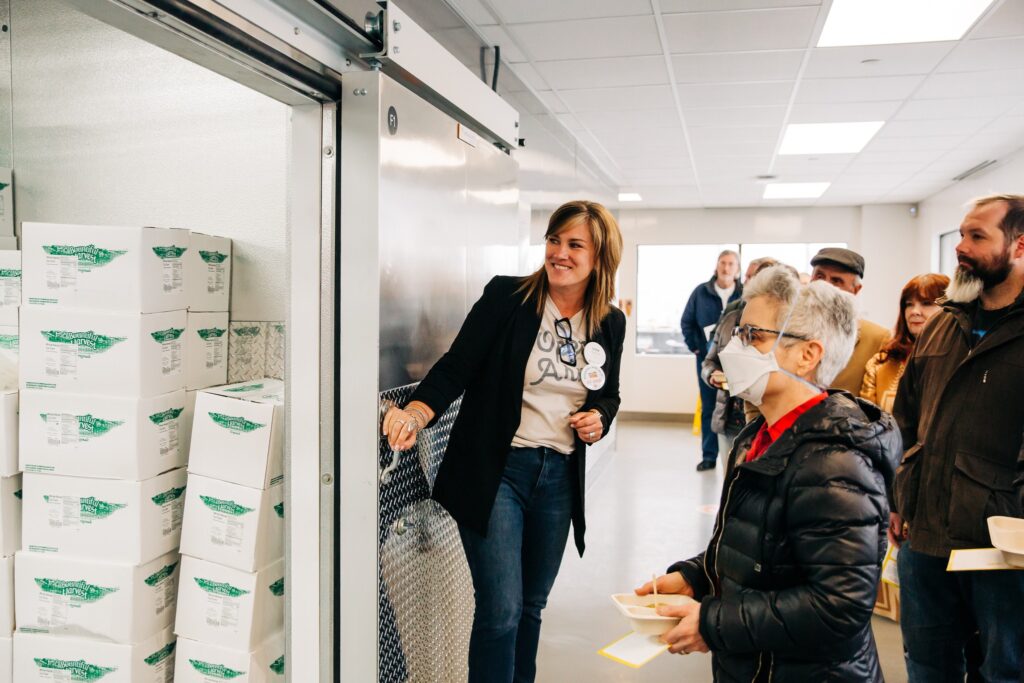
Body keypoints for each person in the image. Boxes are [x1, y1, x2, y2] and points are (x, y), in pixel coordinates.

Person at [382, 200, 625, 683]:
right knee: (501, 610)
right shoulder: (508, 299)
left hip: (557, 476)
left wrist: (598, 417)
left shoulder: (608, 323)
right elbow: (458, 365)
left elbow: (608, 394)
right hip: (500, 472)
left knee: (532, 607)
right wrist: (418, 410)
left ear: (600, 258)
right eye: (554, 240)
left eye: (575, 245)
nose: (559, 253)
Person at [637, 266, 900, 681]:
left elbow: (839, 606)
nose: (734, 349)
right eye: (738, 334)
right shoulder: (756, 437)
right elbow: (757, 550)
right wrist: (697, 577)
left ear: (807, 355)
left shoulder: (835, 462)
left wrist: (713, 623)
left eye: (753, 337)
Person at [892, 194, 1024, 682]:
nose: (961, 248)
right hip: (924, 536)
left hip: (1004, 548)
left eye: (977, 237)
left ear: (1019, 245)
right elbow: (905, 416)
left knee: (1003, 670)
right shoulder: (944, 322)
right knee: (927, 664)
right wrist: (898, 495)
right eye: (961, 235)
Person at [703, 258, 780, 452]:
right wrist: (711, 375)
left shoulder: (785, 328)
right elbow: (711, 360)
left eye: (753, 278)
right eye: (747, 277)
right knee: (729, 478)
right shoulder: (730, 318)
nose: (747, 282)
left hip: (763, 422)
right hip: (729, 417)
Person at [682, 249, 742, 471]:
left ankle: (736, 455)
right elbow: (686, 322)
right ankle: (709, 456)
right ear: (716, 266)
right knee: (708, 406)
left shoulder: (744, 294)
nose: (726, 268)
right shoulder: (701, 292)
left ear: (737, 269)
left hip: (737, 362)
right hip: (707, 360)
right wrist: (696, 348)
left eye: (731, 264)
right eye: (722, 263)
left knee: (735, 409)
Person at [860, 273, 949, 413]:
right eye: (909, 304)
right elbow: (868, 421)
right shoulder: (881, 363)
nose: (914, 311)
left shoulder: (962, 360)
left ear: (950, 308)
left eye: (926, 303)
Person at [810, 247, 890, 394]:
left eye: (836, 281)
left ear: (855, 290)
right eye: (820, 276)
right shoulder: (785, 328)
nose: (824, 286)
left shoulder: (877, 339)